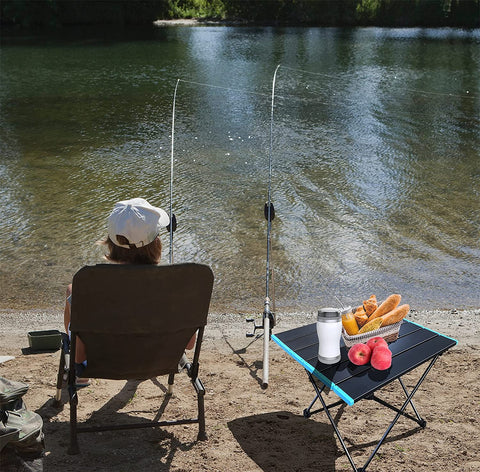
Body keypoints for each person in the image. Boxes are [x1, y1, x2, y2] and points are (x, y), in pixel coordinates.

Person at [63, 197, 195, 386]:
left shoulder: (90, 287)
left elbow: (78, 355)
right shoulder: (174, 287)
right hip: (159, 360)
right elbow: (189, 344)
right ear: (156, 243)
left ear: (110, 242)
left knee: (72, 291)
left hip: (103, 364)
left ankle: (82, 375)